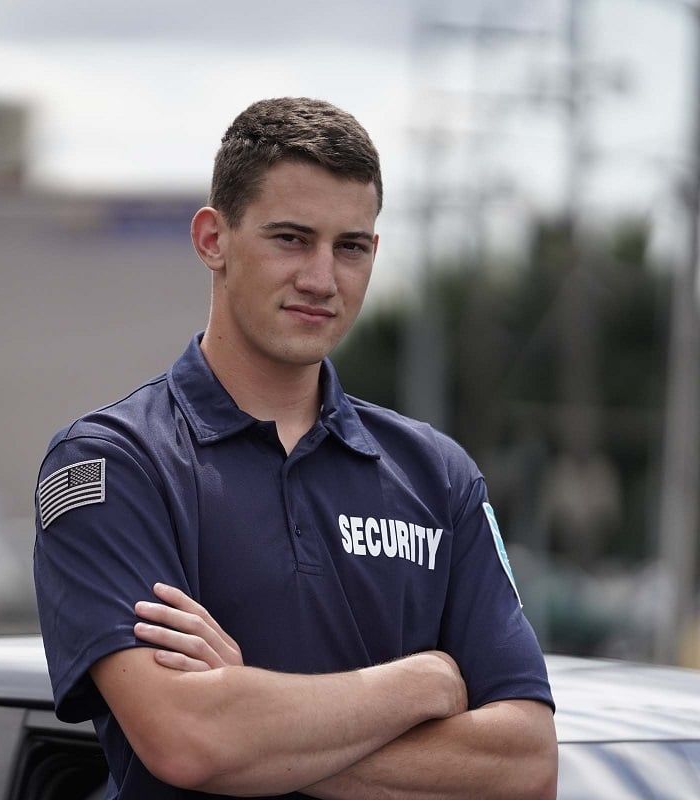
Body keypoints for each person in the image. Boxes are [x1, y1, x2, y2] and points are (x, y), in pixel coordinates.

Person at [32, 97, 557, 799]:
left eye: (351, 247)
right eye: (290, 238)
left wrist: (251, 717)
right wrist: (421, 682)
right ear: (213, 239)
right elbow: (189, 742)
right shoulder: (112, 464)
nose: (321, 279)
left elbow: (524, 766)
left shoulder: (438, 476)